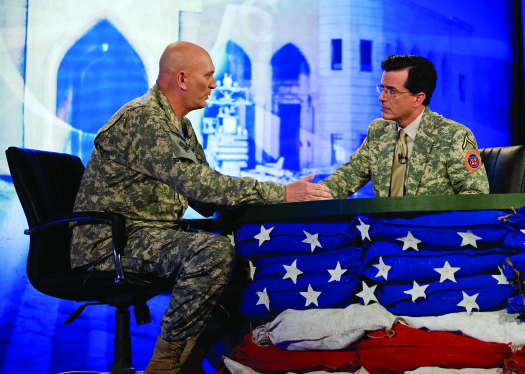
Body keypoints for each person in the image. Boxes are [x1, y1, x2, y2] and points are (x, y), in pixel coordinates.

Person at [70, 41, 331, 373]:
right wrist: (281, 193)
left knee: (241, 256)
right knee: (210, 253)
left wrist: (272, 195)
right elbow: (198, 185)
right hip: (111, 244)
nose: (214, 84)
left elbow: (205, 197)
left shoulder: (180, 125)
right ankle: (165, 367)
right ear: (182, 78)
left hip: (143, 235)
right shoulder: (145, 119)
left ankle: (192, 358)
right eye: (208, 76)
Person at [321, 55, 489, 198]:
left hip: (429, 232)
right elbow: (346, 179)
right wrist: (307, 194)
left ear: (418, 98)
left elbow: (475, 194)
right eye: (382, 88)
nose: (382, 97)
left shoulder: (454, 136)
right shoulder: (378, 131)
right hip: (384, 232)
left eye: (392, 91)